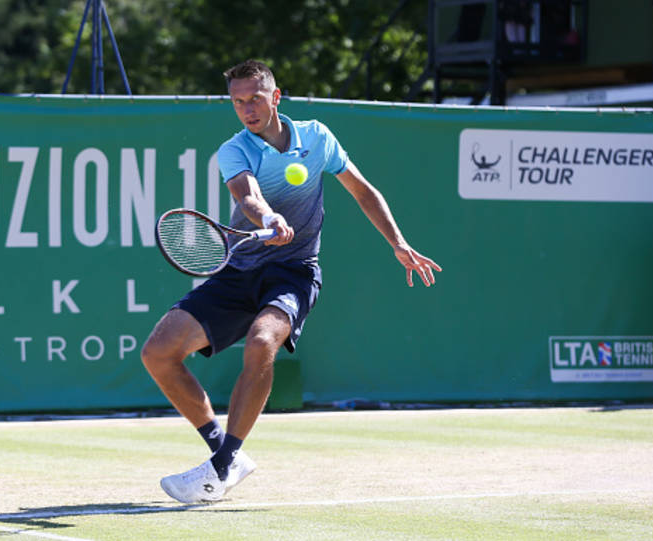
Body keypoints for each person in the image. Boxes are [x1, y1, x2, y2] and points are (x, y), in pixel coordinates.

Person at [141, 59, 441, 504]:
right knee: (158, 353)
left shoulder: (317, 138)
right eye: (238, 102)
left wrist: (397, 243)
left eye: (255, 99)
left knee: (262, 341)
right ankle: (225, 453)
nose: (247, 109)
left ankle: (221, 466)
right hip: (239, 270)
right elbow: (247, 195)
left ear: (276, 97)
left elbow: (362, 190)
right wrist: (268, 217)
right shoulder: (234, 149)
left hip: (294, 271)